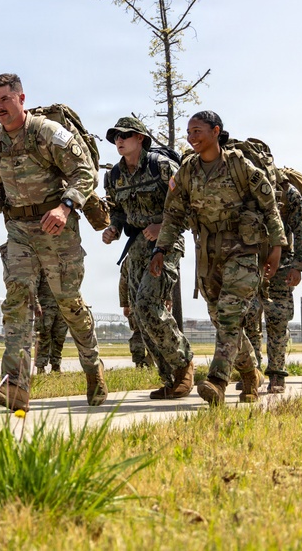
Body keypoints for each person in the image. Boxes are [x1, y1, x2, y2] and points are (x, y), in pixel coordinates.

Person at [0, 73, 106, 412]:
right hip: (18, 229)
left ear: (21, 98)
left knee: (67, 303)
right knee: (17, 301)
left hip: (57, 230)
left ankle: (93, 369)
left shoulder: (47, 132)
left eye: (4, 100)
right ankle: (16, 385)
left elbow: (85, 172)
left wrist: (65, 207)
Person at [150, 111, 285, 406]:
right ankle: (250, 374)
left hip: (245, 249)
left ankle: (218, 380)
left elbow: (269, 204)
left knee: (228, 314)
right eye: (188, 132)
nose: (191, 137)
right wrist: (161, 249)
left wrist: (276, 246)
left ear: (215, 131)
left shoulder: (239, 165)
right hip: (209, 252)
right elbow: (173, 215)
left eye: (197, 131)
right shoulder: (186, 171)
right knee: (222, 318)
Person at [102, 117, 194, 399]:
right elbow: (117, 209)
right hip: (137, 244)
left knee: (148, 304)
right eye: (115, 136)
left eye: (125, 135)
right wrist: (114, 228)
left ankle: (183, 365)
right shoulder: (114, 176)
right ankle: (170, 379)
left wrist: (163, 227)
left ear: (140, 138)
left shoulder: (162, 166)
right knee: (139, 316)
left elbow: (190, 203)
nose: (119, 140)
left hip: (166, 241)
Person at [248, 172, 302, 394]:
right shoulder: (242, 185)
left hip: (282, 265)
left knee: (277, 319)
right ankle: (251, 372)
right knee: (248, 319)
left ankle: (277, 374)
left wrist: (299, 266)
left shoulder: (287, 192)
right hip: (246, 263)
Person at [118, 260, 155, 369]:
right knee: (146, 334)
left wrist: (125, 304)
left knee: (143, 334)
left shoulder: (129, 259)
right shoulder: (130, 259)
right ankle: (143, 363)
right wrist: (125, 304)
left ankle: (145, 362)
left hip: (145, 303)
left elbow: (123, 282)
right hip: (145, 304)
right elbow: (123, 282)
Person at [33, 271, 68, 374]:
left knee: (59, 337)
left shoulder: (65, 263)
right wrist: (36, 303)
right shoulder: (42, 262)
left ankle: (56, 366)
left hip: (62, 306)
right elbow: (34, 284)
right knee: (43, 337)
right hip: (45, 307)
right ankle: (40, 368)